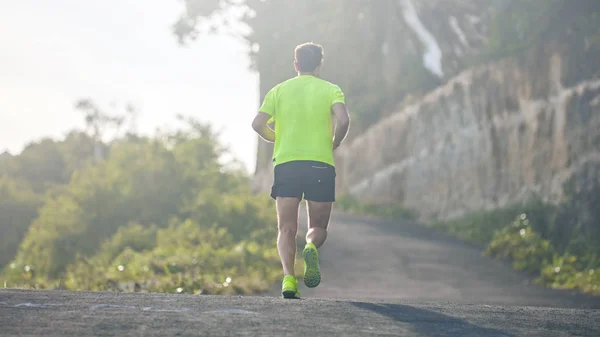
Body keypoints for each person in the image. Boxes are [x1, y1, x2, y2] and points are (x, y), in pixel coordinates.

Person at [251, 42, 351, 299]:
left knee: (286, 228)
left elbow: (257, 124)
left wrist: (278, 138)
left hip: (287, 164)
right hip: (320, 162)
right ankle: (311, 247)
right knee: (318, 226)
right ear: (319, 66)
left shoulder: (278, 91)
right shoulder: (331, 89)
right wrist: (335, 142)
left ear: (296, 65)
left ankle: (288, 280)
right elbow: (343, 120)